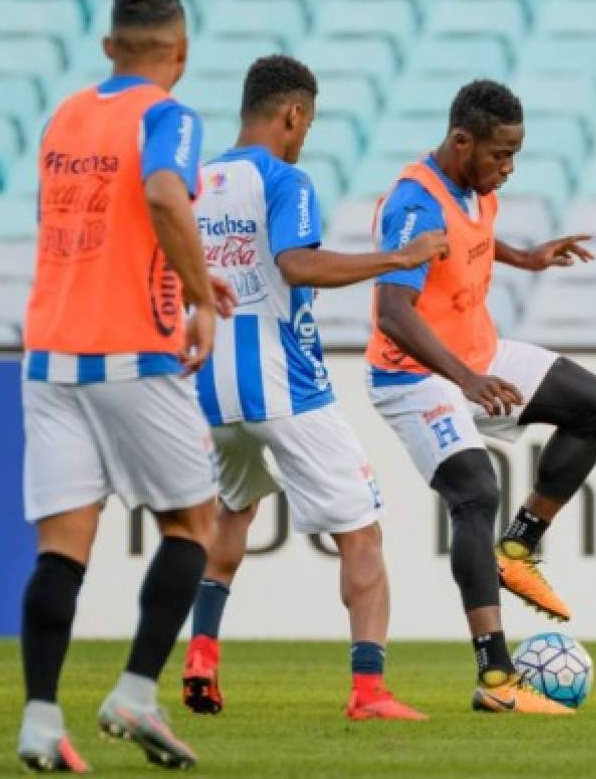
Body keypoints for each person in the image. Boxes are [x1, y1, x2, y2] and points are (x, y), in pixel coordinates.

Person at [15, 0, 236, 773]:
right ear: (180, 54)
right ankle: (137, 693)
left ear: (109, 48)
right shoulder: (169, 116)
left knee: (62, 548)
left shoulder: (64, 117)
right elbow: (162, 194)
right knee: (192, 523)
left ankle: (40, 719)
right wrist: (201, 298)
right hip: (132, 351)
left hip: (49, 352)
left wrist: (190, 271)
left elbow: (100, 223)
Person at [181, 56, 442, 722]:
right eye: (308, 124)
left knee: (233, 510)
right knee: (362, 531)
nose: (305, 137)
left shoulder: (195, 180)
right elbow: (297, 263)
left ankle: (201, 656)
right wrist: (399, 258)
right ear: (292, 114)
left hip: (208, 383)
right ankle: (369, 691)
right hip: (284, 383)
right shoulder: (285, 178)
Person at [367, 79, 596, 715]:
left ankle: (517, 549)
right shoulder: (414, 205)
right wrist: (466, 380)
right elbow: (393, 312)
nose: (508, 168)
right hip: (416, 375)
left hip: (478, 356)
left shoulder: (476, 189)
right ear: (461, 142)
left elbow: (472, 239)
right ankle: (498, 680)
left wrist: (526, 259)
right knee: (476, 491)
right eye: (500, 155)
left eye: (515, 154)